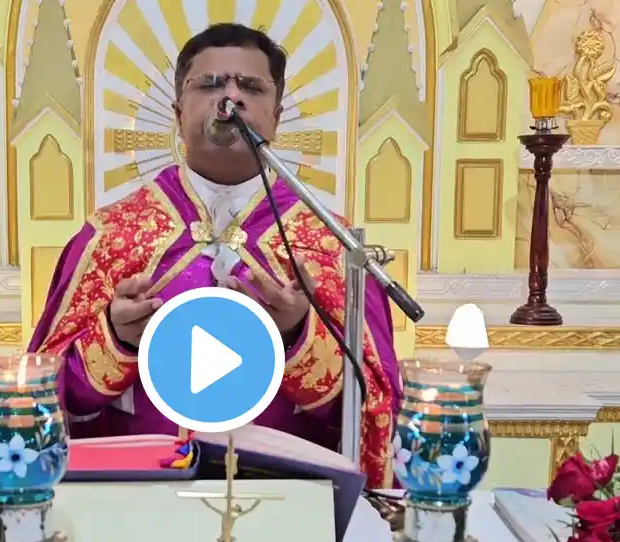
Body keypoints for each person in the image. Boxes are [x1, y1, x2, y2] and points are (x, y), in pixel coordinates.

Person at [28, 23, 401, 485]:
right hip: (139, 501)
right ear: (178, 111)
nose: (231, 96)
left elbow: (372, 411)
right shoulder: (110, 239)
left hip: (287, 500)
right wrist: (116, 339)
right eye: (209, 84)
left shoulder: (327, 244)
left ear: (276, 116)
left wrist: (296, 336)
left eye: (251, 87)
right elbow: (48, 402)